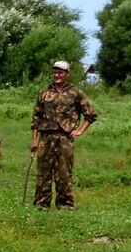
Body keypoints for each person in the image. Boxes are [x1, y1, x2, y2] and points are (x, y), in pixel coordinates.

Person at [30, 60, 97, 209]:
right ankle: (42, 204)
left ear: (67, 74)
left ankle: (65, 205)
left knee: (64, 172)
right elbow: (36, 118)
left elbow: (91, 115)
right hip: (46, 137)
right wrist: (34, 140)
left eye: (60, 72)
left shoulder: (75, 93)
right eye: (55, 72)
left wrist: (80, 130)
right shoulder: (44, 92)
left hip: (65, 138)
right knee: (43, 172)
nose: (57, 75)